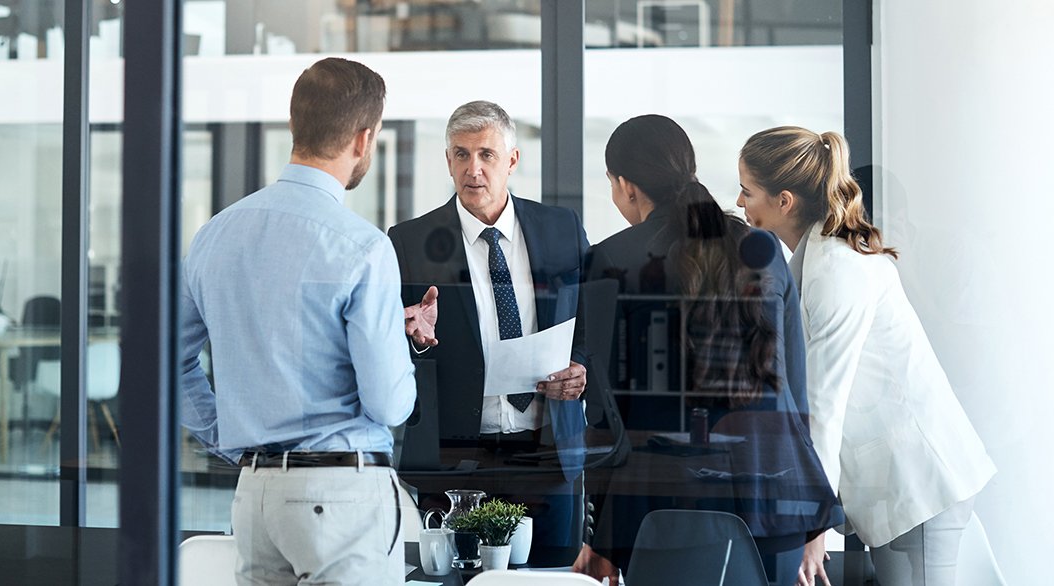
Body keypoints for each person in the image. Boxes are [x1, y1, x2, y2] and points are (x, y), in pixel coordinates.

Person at [573, 115, 842, 586]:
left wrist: (602, 538)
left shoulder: (610, 259)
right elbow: (794, 393)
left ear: (626, 186)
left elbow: (604, 415)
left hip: (658, 505)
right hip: (772, 500)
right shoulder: (762, 247)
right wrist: (811, 517)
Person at [178, 57, 417, 586]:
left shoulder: (215, 234)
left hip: (255, 495)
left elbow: (167, 361)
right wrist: (399, 348)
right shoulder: (363, 247)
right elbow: (388, 403)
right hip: (339, 497)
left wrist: (230, 435)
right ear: (363, 139)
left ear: (295, 125)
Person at [737, 126, 996, 586]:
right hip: (898, 481)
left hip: (918, 479)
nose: (739, 203)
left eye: (746, 190)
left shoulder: (837, 269)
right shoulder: (811, 260)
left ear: (784, 201)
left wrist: (812, 520)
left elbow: (825, 403)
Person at [388, 100, 590, 566]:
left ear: (512, 160)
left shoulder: (561, 230)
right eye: (460, 154)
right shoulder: (409, 241)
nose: (472, 168)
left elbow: (593, 324)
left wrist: (582, 369)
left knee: (548, 576)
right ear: (447, 160)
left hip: (545, 451)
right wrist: (414, 340)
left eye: (486, 154)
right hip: (454, 457)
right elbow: (389, 343)